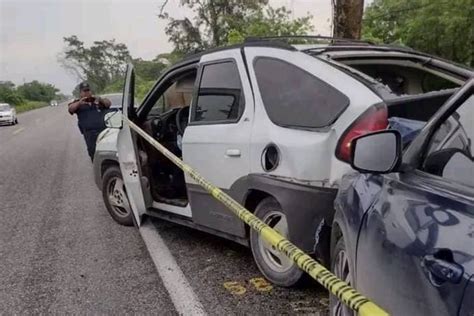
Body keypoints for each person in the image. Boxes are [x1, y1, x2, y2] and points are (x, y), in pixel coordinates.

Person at [68, 82, 112, 161]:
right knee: (93, 153)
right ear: (80, 93)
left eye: (88, 90)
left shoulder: (97, 101)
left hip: (103, 131)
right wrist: (79, 103)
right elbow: (70, 109)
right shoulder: (78, 103)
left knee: (107, 151)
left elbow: (108, 104)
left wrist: (100, 100)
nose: (86, 93)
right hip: (89, 134)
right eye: (84, 91)